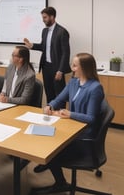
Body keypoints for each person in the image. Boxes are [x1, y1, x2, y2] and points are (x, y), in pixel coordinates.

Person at [33, 53, 105, 192]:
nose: (72, 68)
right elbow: (59, 98)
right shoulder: (73, 82)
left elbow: (91, 118)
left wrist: (70, 114)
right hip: (71, 128)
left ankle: (59, 182)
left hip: (83, 137)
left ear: (84, 68)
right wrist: (50, 106)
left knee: (49, 148)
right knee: (43, 138)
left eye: (75, 65)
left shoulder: (95, 88)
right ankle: (53, 169)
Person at [23, 6, 71, 104]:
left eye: (45, 17)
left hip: (57, 68)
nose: (43, 20)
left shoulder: (62, 32)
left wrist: (61, 70)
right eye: (42, 17)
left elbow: (66, 53)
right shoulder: (44, 31)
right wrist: (32, 46)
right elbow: (43, 47)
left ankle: (60, 116)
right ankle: (50, 113)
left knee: (59, 94)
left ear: (52, 17)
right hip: (46, 67)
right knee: (49, 93)